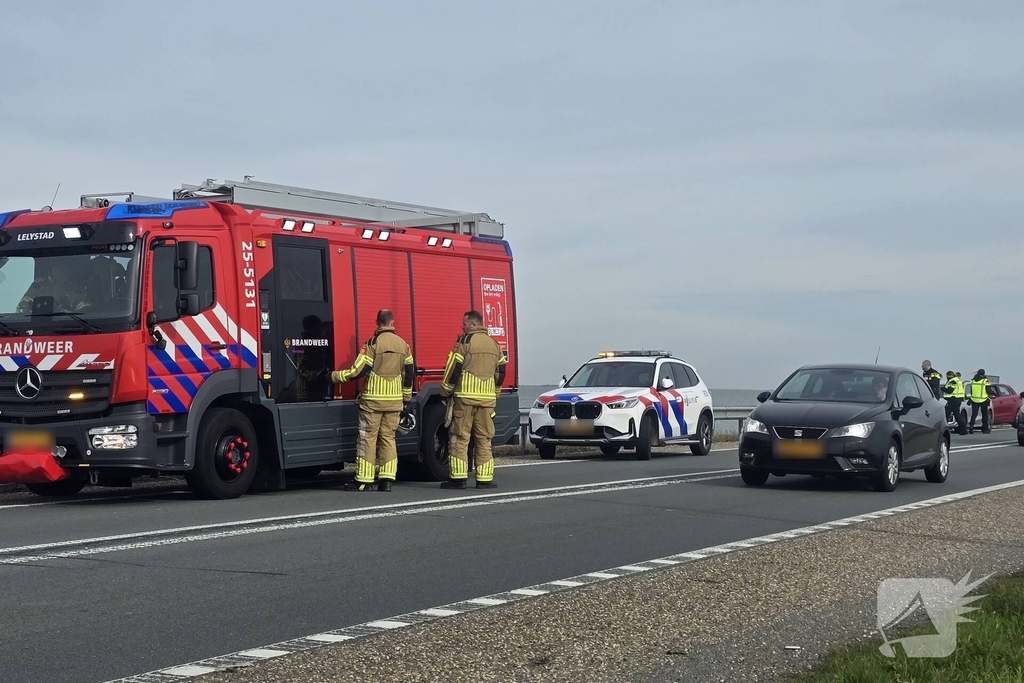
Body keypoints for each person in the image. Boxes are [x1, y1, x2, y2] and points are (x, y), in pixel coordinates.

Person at [330, 309, 414, 492]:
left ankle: (363, 481)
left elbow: (358, 371)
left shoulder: (372, 344)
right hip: (394, 402)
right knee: (388, 438)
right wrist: (406, 398)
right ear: (392, 323)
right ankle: (387, 480)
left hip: (373, 402)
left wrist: (335, 376)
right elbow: (409, 375)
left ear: (377, 323)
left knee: (367, 439)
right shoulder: (403, 345)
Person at [439, 310, 507, 490]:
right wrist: (495, 392)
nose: (462, 326)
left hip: (465, 399)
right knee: (484, 439)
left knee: (459, 438)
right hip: (487, 401)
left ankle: (458, 479)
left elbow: (453, 369)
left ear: (472, 324)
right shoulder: (495, 345)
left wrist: (445, 391)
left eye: (464, 323)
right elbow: (501, 372)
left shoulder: (464, 342)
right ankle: (484, 480)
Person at [967, 368, 992, 435]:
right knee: (985, 415)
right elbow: (988, 390)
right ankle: (985, 429)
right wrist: (992, 393)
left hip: (974, 399)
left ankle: (971, 426)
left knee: (974, 414)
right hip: (983, 400)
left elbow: (972, 391)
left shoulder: (972, 381)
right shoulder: (985, 381)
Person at [942, 370, 967, 436]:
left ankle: (944, 429)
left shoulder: (953, 381)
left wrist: (942, 389)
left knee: (947, 414)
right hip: (956, 400)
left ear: (948, 375)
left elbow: (950, 390)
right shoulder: (957, 380)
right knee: (957, 415)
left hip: (953, 400)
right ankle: (963, 428)